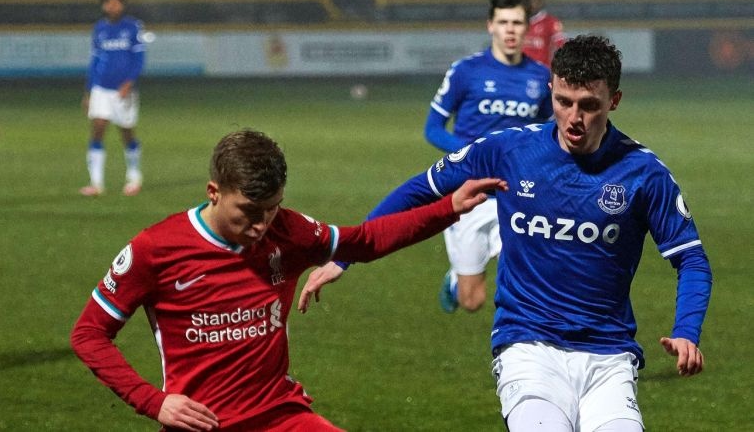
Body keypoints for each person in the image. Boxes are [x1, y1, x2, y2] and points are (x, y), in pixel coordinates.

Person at [300, 35, 712, 431]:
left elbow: (691, 258)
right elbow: (420, 190)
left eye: (589, 105)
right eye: (563, 102)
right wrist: (346, 255)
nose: (574, 118)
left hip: (609, 356)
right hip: (527, 347)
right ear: (551, 90)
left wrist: (686, 332)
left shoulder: (644, 173)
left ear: (614, 101)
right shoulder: (508, 150)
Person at [70, 129, 506, 430]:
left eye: (273, 207)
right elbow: (89, 334)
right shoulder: (156, 249)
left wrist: (448, 208)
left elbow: (365, 241)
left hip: (281, 416)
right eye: (249, 211)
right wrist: (154, 401)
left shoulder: (288, 231)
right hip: (205, 425)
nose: (262, 224)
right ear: (214, 192)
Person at [423, 0, 553, 314]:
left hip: (517, 194)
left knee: (527, 278)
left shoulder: (541, 78)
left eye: (517, 23)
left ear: (527, 28)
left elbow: (548, 133)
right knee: (472, 301)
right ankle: (456, 280)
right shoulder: (466, 71)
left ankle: (523, 339)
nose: (510, 30)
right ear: (490, 25)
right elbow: (433, 128)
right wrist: (474, 154)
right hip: (469, 193)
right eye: (503, 22)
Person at [81, 0, 146, 197]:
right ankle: (96, 183)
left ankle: (134, 176)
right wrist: (89, 91)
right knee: (98, 128)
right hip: (101, 88)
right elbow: (94, 61)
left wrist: (129, 82)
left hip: (123, 91)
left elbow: (139, 59)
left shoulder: (133, 27)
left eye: (116, 2)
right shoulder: (99, 29)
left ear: (122, 5)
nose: (112, 6)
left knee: (126, 132)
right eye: (109, 3)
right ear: (104, 6)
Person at [515, 0, 566, 68]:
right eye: (529, 0)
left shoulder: (551, 22)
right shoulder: (517, 22)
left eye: (535, 0)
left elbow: (561, 46)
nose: (532, 4)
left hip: (542, 71)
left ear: (540, 2)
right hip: (520, 70)